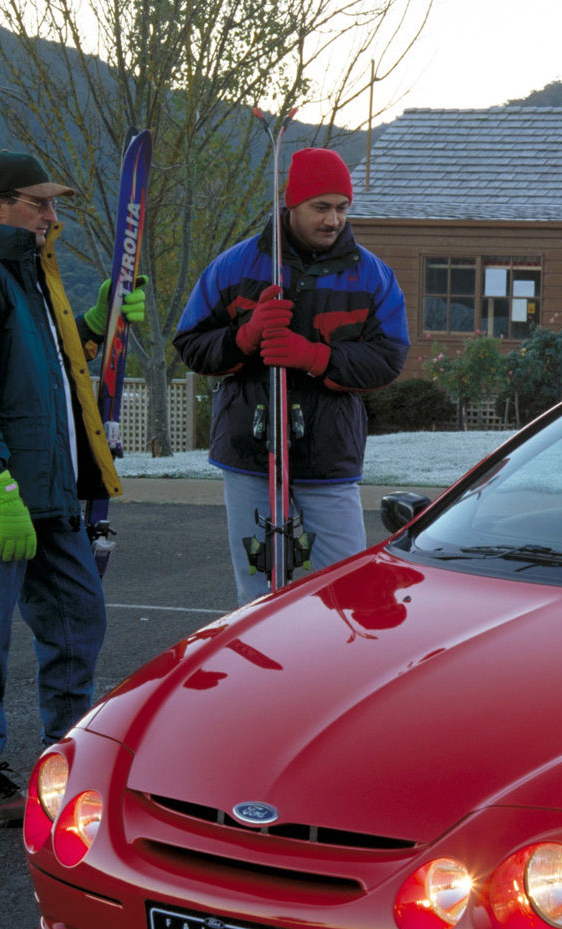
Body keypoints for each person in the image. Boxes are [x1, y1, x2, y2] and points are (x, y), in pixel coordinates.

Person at [0, 150, 147, 826]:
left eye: (53, 204)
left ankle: (64, 760)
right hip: (1, 502)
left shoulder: (34, 278)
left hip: (52, 495)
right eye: (38, 203)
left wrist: (99, 324)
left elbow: (52, 368)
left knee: (80, 623)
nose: (52, 215)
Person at [174, 147, 409, 603]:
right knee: (259, 592)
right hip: (249, 452)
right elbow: (190, 344)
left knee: (344, 589)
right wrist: (243, 339)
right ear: (291, 205)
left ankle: (333, 673)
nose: (333, 220)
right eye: (320, 207)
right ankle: (264, 672)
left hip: (330, 456)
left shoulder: (373, 276)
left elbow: (388, 359)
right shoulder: (234, 267)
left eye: (342, 208)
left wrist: (314, 357)